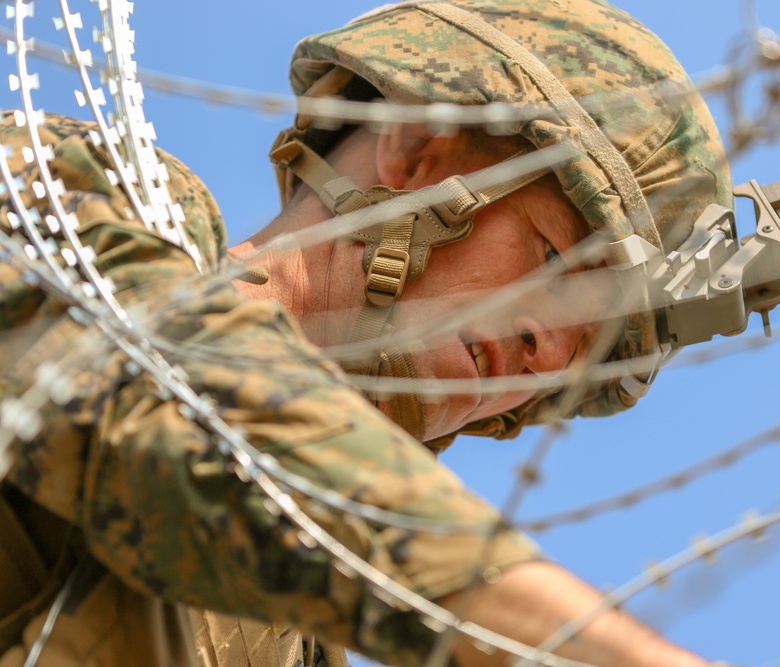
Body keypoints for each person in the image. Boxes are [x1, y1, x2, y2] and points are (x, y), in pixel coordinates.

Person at [0, 0, 731, 665]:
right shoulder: (81, 207)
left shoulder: (305, 648)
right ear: (416, 151)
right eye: (554, 260)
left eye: (591, 346)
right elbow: (194, 414)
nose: (558, 352)